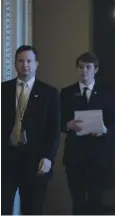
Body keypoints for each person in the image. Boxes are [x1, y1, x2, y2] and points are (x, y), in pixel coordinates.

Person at [1, 45, 61, 214]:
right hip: (6, 161)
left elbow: (54, 129)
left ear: (36, 64)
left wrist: (48, 157)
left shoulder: (49, 93)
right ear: (15, 64)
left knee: (32, 209)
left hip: (35, 162)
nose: (25, 65)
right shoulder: (3, 90)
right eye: (21, 61)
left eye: (29, 61)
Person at [60, 52, 115, 214]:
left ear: (96, 69)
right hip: (75, 155)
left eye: (88, 67)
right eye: (80, 67)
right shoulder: (66, 93)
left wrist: (103, 130)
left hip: (98, 155)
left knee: (96, 201)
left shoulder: (106, 93)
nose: (84, 71)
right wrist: (67, 124)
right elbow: (57, 122)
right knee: (77, 201)